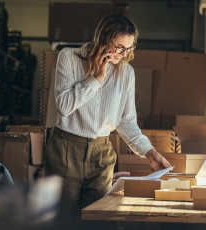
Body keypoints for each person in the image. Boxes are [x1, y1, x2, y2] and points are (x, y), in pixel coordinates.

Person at [44, 13, 172, 229]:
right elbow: (64, 107)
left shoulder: (126, 73)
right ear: (103, 39)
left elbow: (126, 121)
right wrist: (97, 79)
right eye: (120, 47)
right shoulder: (69, 57)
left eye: (129, 48)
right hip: (65, 149)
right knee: (61, 220)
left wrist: (150, 152)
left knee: (99, 221)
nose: (124, 54)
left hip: (101, 153)